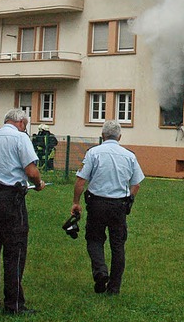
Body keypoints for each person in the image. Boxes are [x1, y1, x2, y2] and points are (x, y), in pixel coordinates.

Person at [0, 108, 45, 315]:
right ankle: (13, 305)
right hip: (10, 198)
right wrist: (38, 183)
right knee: (15, 251)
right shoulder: (20, 138)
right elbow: (31, 170)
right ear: (21, 122)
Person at [71, 120, 144, 295]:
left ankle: (100, 271)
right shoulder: (129, 155)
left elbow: (81, 180)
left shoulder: (93, 153)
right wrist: (130, 199)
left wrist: (76, 202)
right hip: (119, 205)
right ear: (119, 136)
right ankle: (114, 287)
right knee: (117, 245)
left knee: (94, 239)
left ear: (103, 135)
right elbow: (136, 184)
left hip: (97, 203)